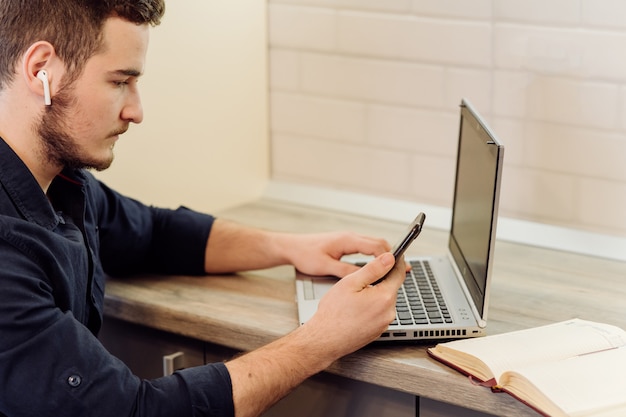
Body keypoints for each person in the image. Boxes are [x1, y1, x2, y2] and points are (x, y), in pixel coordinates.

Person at [0, 1, 408, 416]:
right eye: (120, 81)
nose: (135, 112)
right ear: (40, 70)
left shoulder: (63, 182)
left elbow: (155, 233)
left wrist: (288, 248)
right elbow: (135, 412)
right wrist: (322, 339)